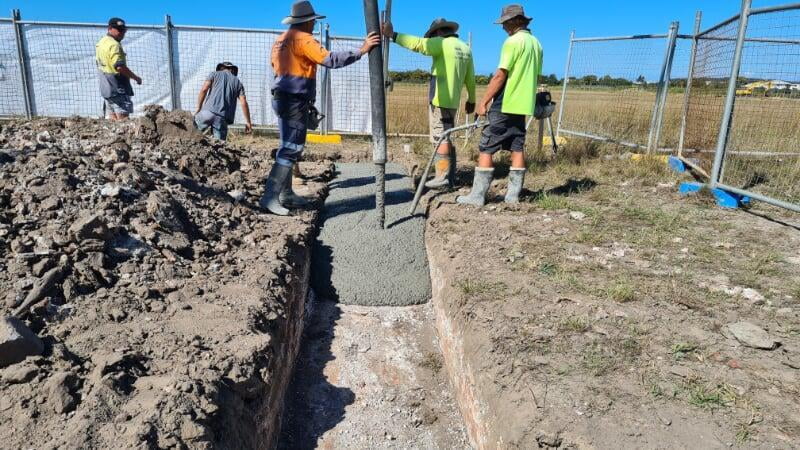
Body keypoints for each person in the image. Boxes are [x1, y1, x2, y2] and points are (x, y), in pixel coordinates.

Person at [260, 0, 380, 215]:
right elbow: (330, 60)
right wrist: (362, 50)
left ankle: (285, 193)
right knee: (291, 148)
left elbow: (275, 66)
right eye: (313, 21)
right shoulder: (304, 39)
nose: (314, 24)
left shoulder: (281, 40)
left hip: (281, 97)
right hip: (294, 99)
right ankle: (270, 197)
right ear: (307, 21)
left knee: (286, 145)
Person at [457, 4, 543, 206]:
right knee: (517, 146)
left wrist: (484, 101)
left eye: (504, 23)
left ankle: (477, 196)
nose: (503, 27)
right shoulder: (536, 43)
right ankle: (513, 196)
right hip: (524, 104)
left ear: (514, 22)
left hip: (506, 102)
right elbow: (537, 76)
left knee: (487, 145)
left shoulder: (513, 42)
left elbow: (500, 75)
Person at [382, 18, 476, 189]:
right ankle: (450, 176)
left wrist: (393, 35)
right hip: (453, 100)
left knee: (440, 137)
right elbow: (470, 77)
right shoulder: (465, 48)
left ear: (438, 32)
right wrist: (472, 100)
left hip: (439, 99)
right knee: (447, 135)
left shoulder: (440, 43)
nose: (431, 40)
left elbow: (419, 44)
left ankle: (442, 177)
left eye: (432, 36)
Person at [95, 17, 142, 120]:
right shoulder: (114, 45)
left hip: (107, 88)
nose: (122, 33)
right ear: (110, 28)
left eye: (123, 30)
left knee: (113, 123)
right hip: (117, 87)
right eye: (119, 30)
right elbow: (119, 67)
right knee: (123, 122)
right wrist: (136, 78)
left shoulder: (101, 43)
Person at [194, 62, 253, 140]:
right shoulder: (238, 83)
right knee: (219, 146)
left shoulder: (214, 74)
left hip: (207, 112)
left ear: (221, 68)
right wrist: (248, 122)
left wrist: (198, 108)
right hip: (221, 118)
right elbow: (243, 102)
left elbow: (204, 90)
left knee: (191, 134)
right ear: (233, 70)